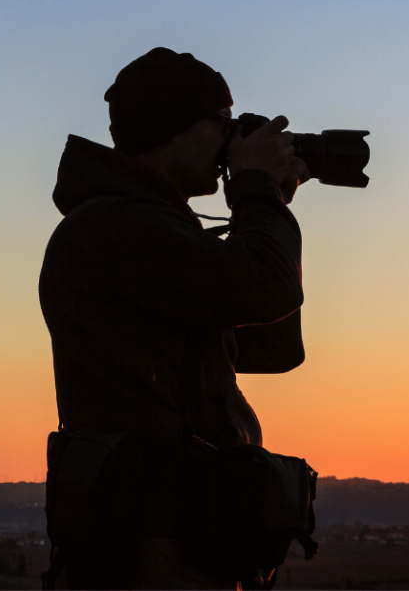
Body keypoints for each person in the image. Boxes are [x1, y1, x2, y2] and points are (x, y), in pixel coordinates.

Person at [38, 47, 311, 589]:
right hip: (151, 546)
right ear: (173, 128)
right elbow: (266, 288)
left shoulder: (151, 230)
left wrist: (267, 203)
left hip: (184, 538)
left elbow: (275, 345)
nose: (232, 138)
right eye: (223, 121)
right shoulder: (118, 228)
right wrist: (257, 193)